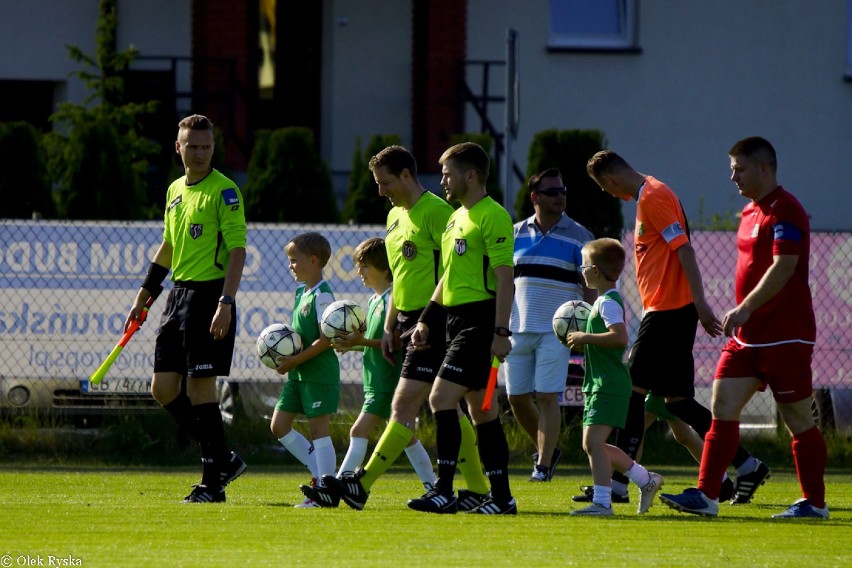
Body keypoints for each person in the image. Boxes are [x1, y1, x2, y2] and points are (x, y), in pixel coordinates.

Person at [305, 145, 491, 511]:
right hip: (407, 320)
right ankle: (477, 487)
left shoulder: (438, 212)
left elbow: (451, 271)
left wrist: (428, 319)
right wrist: (390, 325)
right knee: (445, 406)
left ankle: (360, 485)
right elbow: (399, 279)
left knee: (407, 405)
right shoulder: (393, 217)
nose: (380, 190)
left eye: (385, 182)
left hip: (434, 318)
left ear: (407, 175)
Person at [586, 149, 769, 506]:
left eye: (604, 188)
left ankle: (622, 482)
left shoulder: (654, 196)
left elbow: (684, 250)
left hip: (668, 311)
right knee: (681, 403)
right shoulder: (649, 195)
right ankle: (747, 464)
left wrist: (700, 303)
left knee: (632, 391)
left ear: (609, 181)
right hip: (670, 310)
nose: (608, 195)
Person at [660, 137, 828, 519]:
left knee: (798, 419)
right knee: (721, 407)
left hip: (786, 336)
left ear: (764, 168)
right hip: (745, 339)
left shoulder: (786, 210)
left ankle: (815, 504)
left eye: (739, 168)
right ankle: (707, 496)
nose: (732, 176)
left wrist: (745, 308)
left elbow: (784, 266)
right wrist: (744, 318)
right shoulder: (749, 212)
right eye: (732, 168)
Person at [126, 114, 247, 503]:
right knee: (162, 388)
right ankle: (222, 455)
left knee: (199, 388)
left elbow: (237, 251)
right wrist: (145, 294)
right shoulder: (176, 189)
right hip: (177, 296)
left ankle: (213, 481)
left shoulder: (225, 191)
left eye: (206, 146)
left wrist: (225, 303)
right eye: (191, 146)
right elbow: (168, 246)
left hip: (210, 297)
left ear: (213, 147)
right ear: (178, 147)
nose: (199, 153)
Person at [405, 141, 517, 515]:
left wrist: (500, 333)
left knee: (439, 399)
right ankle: (501, 498)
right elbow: (447, 277)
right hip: (454, 322)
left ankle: (443, 489)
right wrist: (426, 320)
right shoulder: (455, 218)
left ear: (471, 175)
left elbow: (505, 279)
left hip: (480, 323)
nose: (443, 181)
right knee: (482, 411)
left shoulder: (493, 215)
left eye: (448, 173)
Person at [326, 237, 436, 494]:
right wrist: (352, 344)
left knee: (358, 429)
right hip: (375, 380)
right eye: (358, 266)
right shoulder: (375, 300)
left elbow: (396, 344)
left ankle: (337, 486)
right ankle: (432, 486)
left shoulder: (392, 299)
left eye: (365, 267)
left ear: (385, 269)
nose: (359, 272)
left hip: (387, 381)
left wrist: (360, 340)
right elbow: (377, 342)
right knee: (407, 437)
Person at [506, 168, 595, 482]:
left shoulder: (580, 236)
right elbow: (503, 282)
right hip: (517, 327)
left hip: (556, 333)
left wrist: (588, 329)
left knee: (546, 397)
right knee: (516, 398)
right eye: (552, 192)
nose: (560, 197)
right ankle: (549, 449)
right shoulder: (513, 233)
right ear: (535, 198)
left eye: (563, 191)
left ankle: (542, 466)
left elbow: (591, 288)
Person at [565, 238, 663, 515]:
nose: (581, 270)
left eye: (584, 266)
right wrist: (585, 343)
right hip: (602, 383)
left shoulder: (607, 302)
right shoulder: (603, 302)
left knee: (593, 443)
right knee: (594, 444)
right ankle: (645, 480)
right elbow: (607, 341)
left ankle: (602, 503)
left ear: (595, 270)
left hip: (609, 384)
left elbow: (618, 338)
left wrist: (585, 336)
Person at [270, 232, 340, 508]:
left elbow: (326, 340)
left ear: (313, 260)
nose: (291, 266)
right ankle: (323, 478)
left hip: (318, 373)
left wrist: (293, 361)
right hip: (298, 374)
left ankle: (325, 491)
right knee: (279, 425)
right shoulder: (302, 292)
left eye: (294, 260)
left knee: (318, 430)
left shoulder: (323, 295)